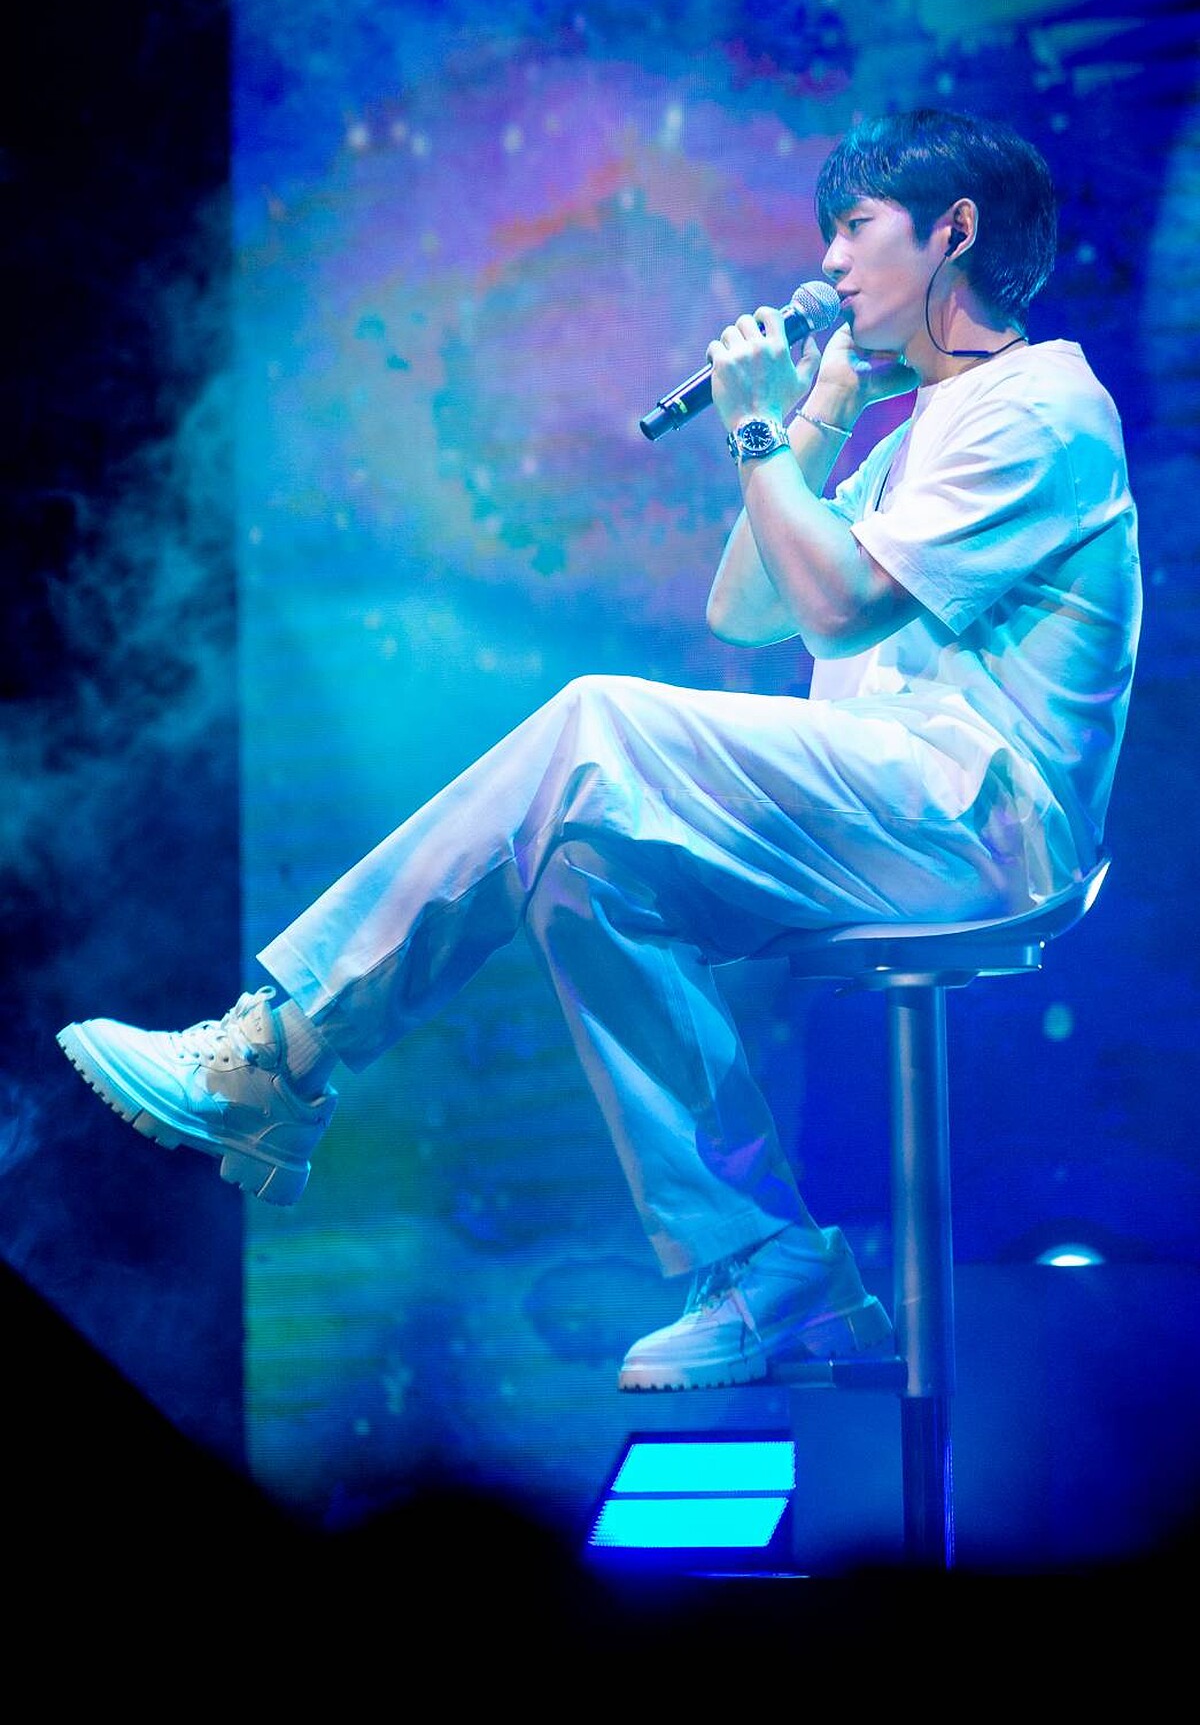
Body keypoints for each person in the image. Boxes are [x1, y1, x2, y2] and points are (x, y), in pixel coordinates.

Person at [58, 109, 1141, 1393]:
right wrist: (810, 419)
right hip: (888, 798)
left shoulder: (1042, 403)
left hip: (981, 820)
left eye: (856, 229)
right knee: (580, 858)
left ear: (953, 230)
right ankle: (765, 1261)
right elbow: (747, 606)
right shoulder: (915, 433)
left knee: (594, 721)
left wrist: (753, 433)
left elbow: (841, 605)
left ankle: (277, 1055)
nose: (831, 263)